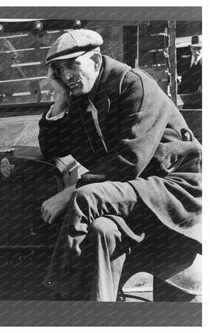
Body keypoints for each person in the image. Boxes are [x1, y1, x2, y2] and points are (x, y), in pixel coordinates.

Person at [38, 29, 202, 301]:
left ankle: (62, 297)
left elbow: (130, 160)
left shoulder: (133, 84)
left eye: (72, 65)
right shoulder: (80, 95)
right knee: (102, 228)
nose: (66, 76)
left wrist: (70, 192)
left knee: (85, 197)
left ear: (96, 59)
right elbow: (53, 150)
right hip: (131, 192)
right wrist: (59, 98)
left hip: (173, 189)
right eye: (59, 69)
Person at [178, 35, 202, 108]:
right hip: (184, 99)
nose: (196, 52)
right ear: (190, 48)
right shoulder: (184, 60)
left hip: (199, 101)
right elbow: (178, 74)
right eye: (194, 49)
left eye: (199, 48)